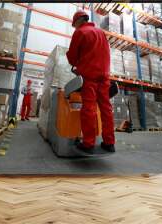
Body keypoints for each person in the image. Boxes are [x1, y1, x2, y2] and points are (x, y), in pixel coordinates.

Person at [66, 10, 115, 153]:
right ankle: (109, 143)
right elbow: (105, 53)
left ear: (78, 21)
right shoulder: (101, 33)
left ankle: (88, 143)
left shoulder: (80, 32)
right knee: (106, 109)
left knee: (89, 109)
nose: (74, 27)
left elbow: (72, 58)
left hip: (90, 77)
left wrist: (74, 61)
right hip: (104, 76)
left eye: (74, 25)